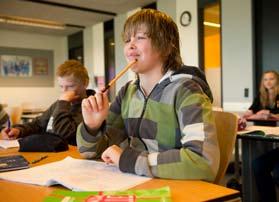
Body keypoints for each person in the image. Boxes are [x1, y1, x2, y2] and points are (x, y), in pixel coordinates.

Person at [76, 9, 219, 180]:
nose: (130, 45)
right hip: (131, 184)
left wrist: (128, 160)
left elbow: (202, 162)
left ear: (167, 46)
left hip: (173, 190)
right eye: (127, 39)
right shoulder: (126, 93)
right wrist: (92, 128)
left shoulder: (186, 91)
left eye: (140, 37)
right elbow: (92, 154)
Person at [1, 60, 95, 145]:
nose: (64, 92)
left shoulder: (91, 107)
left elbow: (64, 134)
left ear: (85, 83)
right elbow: (38, 124)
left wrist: (63, 103)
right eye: (61, 87)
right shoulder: (60, 104)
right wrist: (18, 130)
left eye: (70, 86)